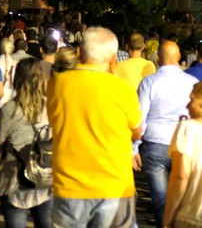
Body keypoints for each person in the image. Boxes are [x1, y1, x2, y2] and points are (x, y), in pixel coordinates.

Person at [47, 26, 143, 227]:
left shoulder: (57, 84)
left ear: (79, 52)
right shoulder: (122, 89)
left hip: (69, 186)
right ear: (113, 58)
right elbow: (136, 132)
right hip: (114, 186)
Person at [134, 40, 199, 227]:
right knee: (184, 199)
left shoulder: (149, 82)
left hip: (156, 144)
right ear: (178, 57)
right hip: (185, 144)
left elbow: (140, 118)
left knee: (161, 200)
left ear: (158, 58)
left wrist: (134, 148)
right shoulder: (192, 83)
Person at [0, 58, 52, 228]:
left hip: (15, 180)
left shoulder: (9, 109)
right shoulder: (51, 106)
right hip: (45, 179)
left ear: (17, 79)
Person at [163, 81, 202, 227]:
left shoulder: (188, 128)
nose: (187, 106)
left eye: (192, 100)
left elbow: (181, 176)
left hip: (191, 215)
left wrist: (168, 220)